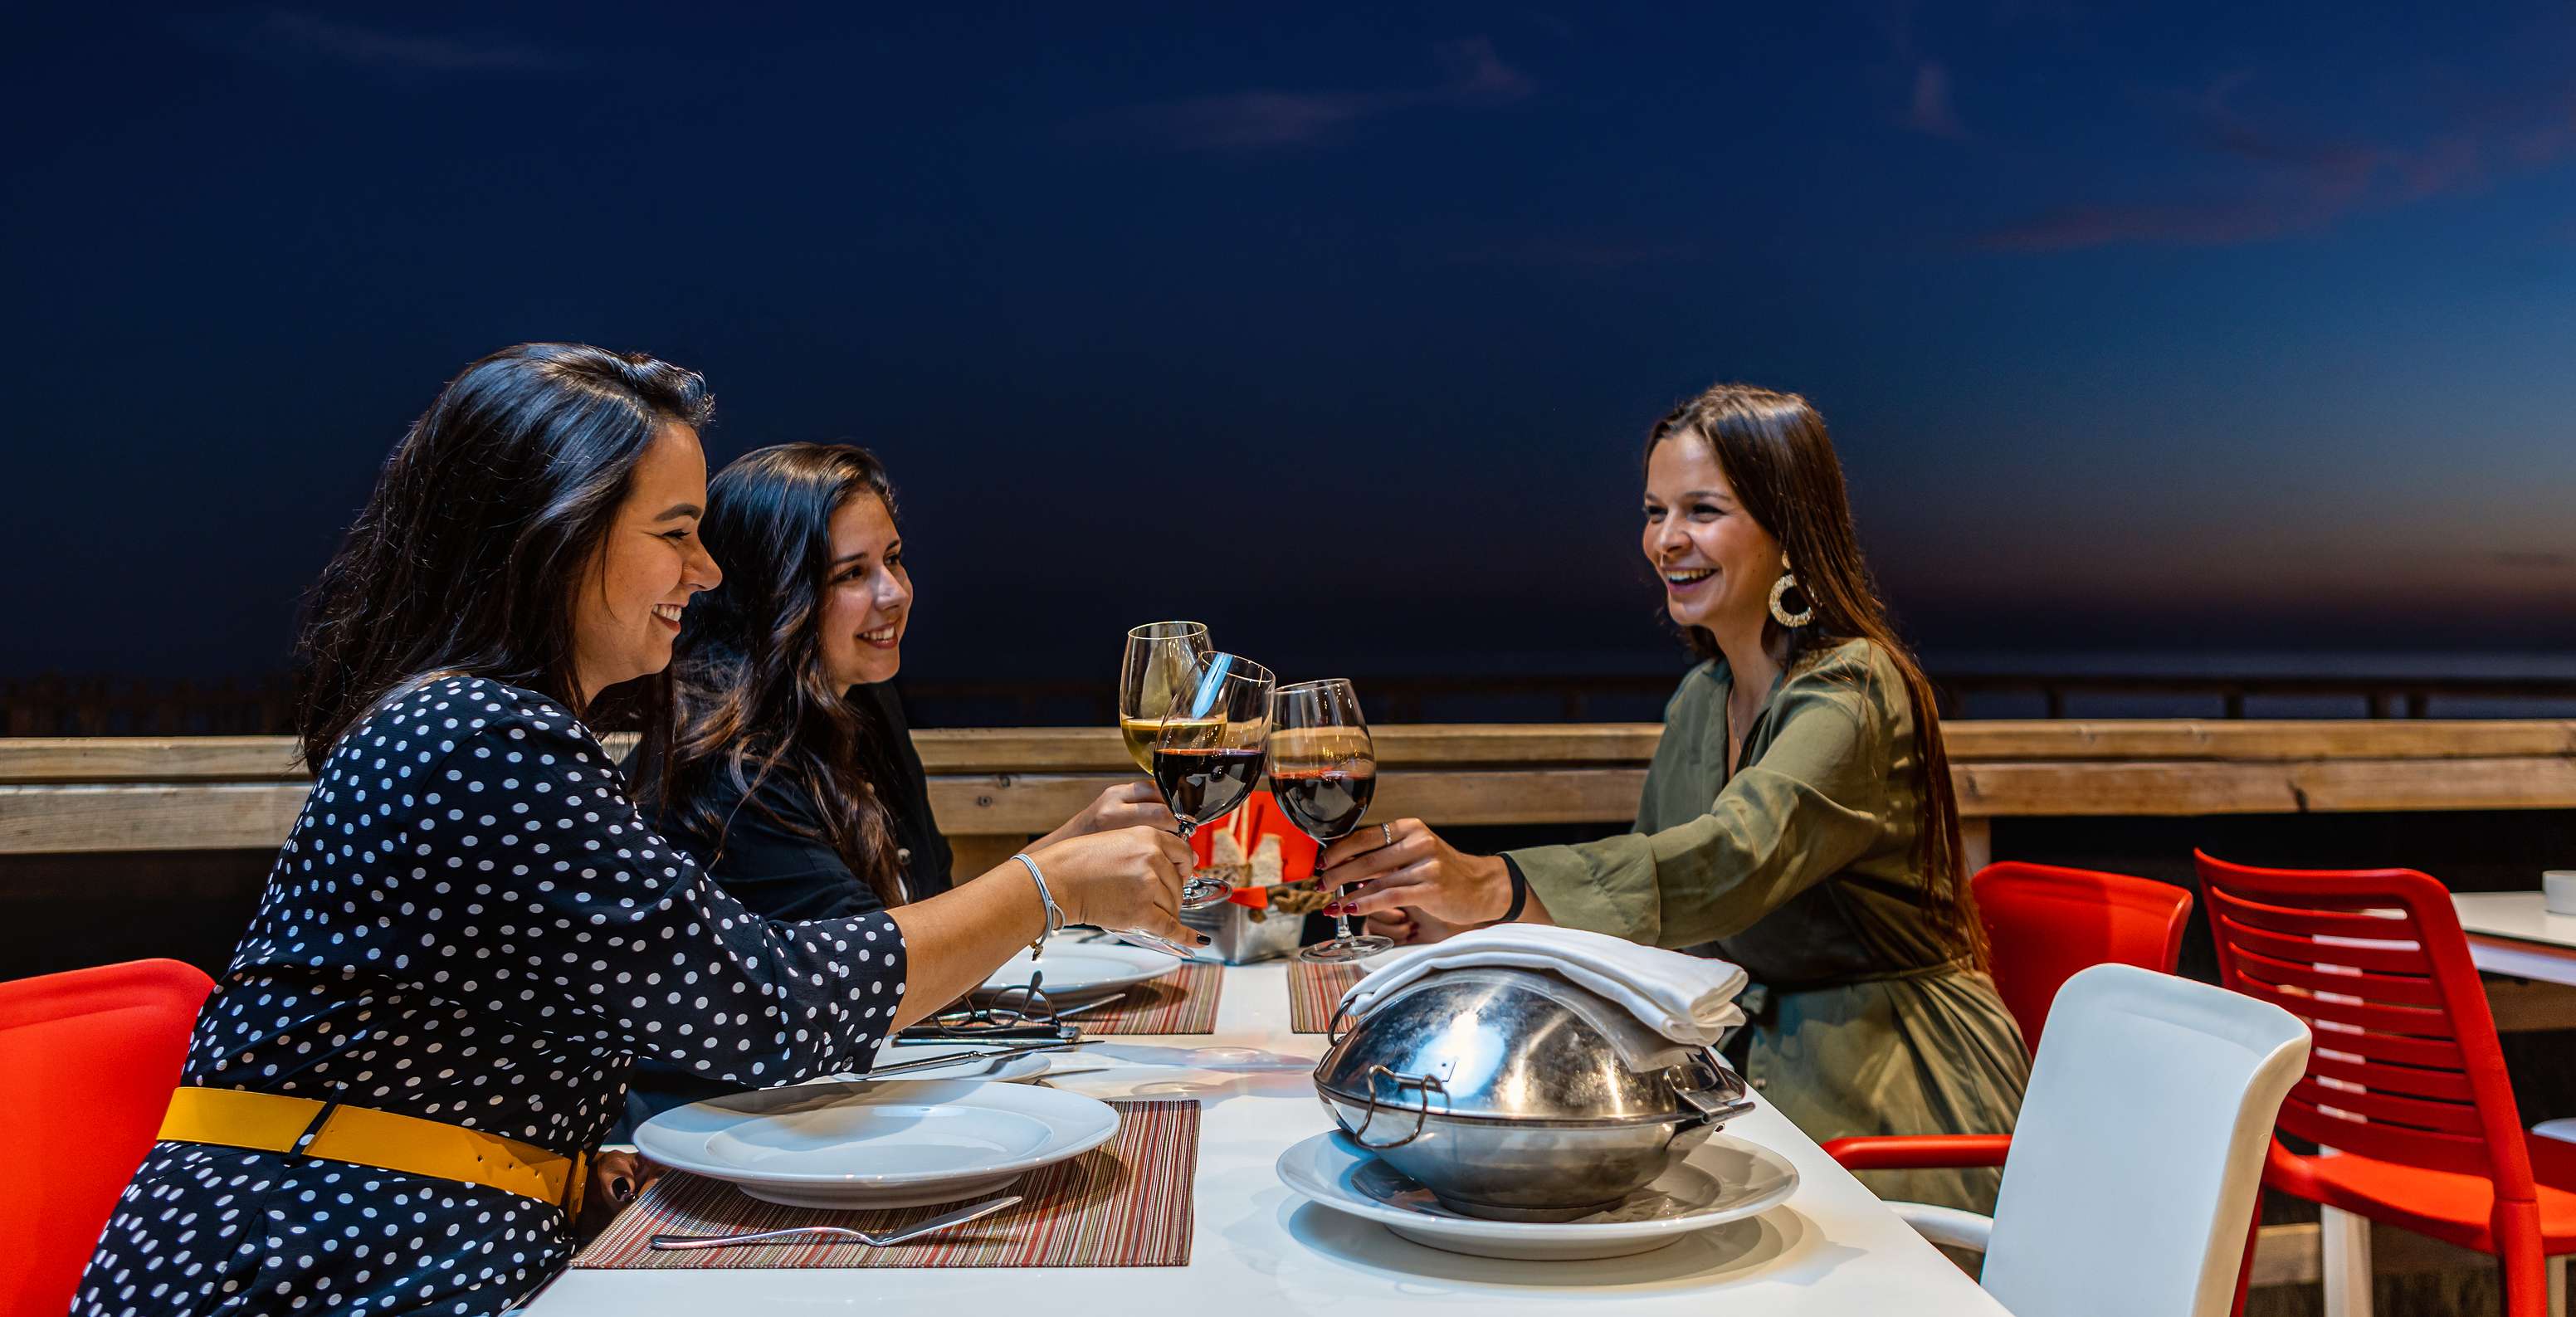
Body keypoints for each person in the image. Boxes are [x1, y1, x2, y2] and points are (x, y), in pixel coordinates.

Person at [76, 344, 1197, 1317]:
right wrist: (1043, 883)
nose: (704, 573)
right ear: (556, 539)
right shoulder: (473, 734)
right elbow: (761, 1006)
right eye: (675, 532)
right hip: (315, 1268)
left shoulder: (493, 727)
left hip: (436, 1238)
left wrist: (570, 1163)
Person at [1317, 382, 2029, 1212]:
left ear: (1788, 528)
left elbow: (1733, 859)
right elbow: (1651, 928)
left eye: (1702, 510)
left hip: (1891, 1088)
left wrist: (1498, 882)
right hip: (1728, 1060)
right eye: (1654, 512)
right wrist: (1477, 924)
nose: (1665, 540)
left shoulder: (1857, 689)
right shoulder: (1700, 698)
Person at [619, 442, 1173, 1129]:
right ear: (774, 592)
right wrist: (1056, 880)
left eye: (894, 558)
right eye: (852, 573)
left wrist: (1073, 839)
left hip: (839, 1090)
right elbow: (876, 976)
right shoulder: (727, 764)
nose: (896, 592)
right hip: (730, 1128)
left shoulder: (857, 705)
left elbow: (926, 921)